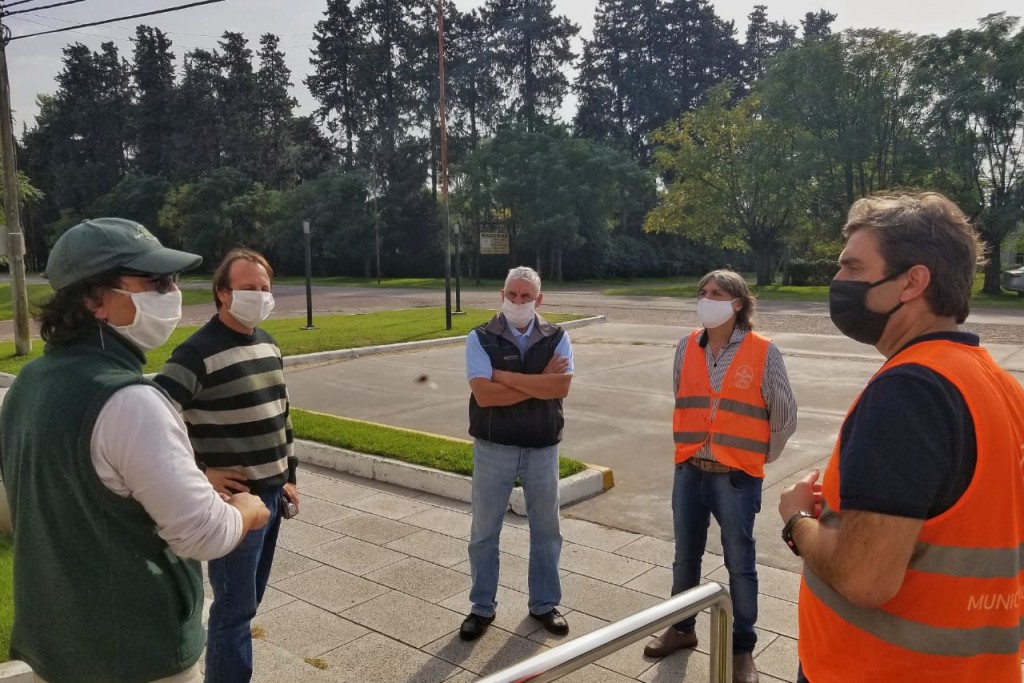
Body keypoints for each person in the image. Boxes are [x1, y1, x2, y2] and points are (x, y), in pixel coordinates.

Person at [0, 218, 270, 683]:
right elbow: (204, 534)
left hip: (57, 641)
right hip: (135, 651)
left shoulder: (30, 381)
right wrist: (247, 511)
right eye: (155, 282)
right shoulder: (130, 401)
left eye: (173, 280)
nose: (172, 293)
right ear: (94, 300)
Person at [779, 192, 1024, 683]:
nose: (837, 280)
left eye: (852, 266)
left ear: (912, 281)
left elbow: (865, 579)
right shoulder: (999, 385)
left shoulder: (909, 391)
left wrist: (797, 520)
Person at [645, 269, 796, 683]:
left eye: (717, 293)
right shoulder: (686, 346)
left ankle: (742, 648)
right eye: (703, 291)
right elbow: (682, 394)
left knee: (740, 564)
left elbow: (784, 417)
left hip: (736, 476)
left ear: (737, 304)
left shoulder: (763, 351)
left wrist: (755, 459)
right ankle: (681, 628)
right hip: (690, 468)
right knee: (685, 557)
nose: (706, 298)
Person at [154, 247, 297, 683]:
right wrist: (201, 472)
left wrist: (289, 475)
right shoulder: (195, 353)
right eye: (248, 287)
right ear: (222, 292)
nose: (260, 295)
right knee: (234, 610)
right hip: (235, 502)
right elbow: (157, 419)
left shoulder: (268, 343)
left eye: (265, 288)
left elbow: (282, 414)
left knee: (248, 603)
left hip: (273, 496)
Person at [459, 266, 574, 642]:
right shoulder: (480, 337)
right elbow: (484, 395)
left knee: (547, 531)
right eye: (512, 294)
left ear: (539, 299)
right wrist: (540, 381)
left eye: (526, 296)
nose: (518, 301)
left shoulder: (558, 336)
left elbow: (561, 388)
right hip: (495, 446)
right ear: (502, 294)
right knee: (484, 532)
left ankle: (544, 604)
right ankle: (481, 607)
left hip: (542, 447)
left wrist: (505, 377)